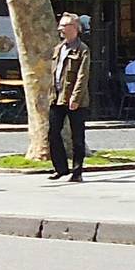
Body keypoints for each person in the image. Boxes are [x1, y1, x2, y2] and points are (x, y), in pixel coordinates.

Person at [46, 14, 92, 182]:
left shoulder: (82, 49)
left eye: (63, 26)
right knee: (53, 133)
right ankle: (60, 168)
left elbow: (82, 75)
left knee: (77, 136)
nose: (60, 29)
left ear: (74, 28)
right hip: (56, 97)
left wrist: (75, 98)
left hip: (74, 100)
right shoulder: (58, 48)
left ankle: (77, 171)